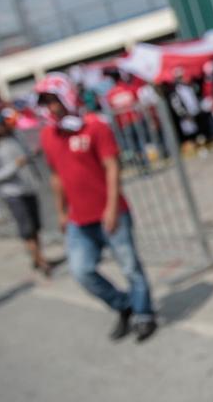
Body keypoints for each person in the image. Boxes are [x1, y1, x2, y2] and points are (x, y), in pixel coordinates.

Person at [35, 73, 157, 342]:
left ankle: (144, 313)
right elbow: (56, 176)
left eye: (54, 100)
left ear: (67, 96)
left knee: (130, 267)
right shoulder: (48, 135)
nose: (51, 107)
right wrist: (62, 212)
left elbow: (112, 167)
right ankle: (124, 305)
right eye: (45, 102)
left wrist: (111, 208)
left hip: (110, 213)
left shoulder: (94, 126)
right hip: (79, 220)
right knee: (81, 271)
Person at [0, 110, 51, 275]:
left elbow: (26, 154)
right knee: (27, 228)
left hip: (28, 187)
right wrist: (14, 166)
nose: (0, 127)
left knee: (35, 226)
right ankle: (40, 259)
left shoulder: (15, 137)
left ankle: (37, 256)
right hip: (12, 192)